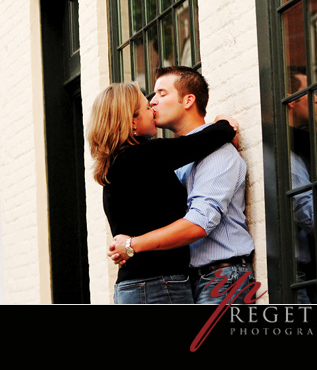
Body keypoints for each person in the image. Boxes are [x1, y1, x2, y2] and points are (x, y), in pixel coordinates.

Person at [109, 66, 256, 304]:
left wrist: (131, 245)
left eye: (162, 93)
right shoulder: (172, 157)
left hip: (222, 277)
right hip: (191, 279)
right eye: (151, 96)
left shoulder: (217, 153)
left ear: (188, 100)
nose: (152, 102)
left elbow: (198, 224)